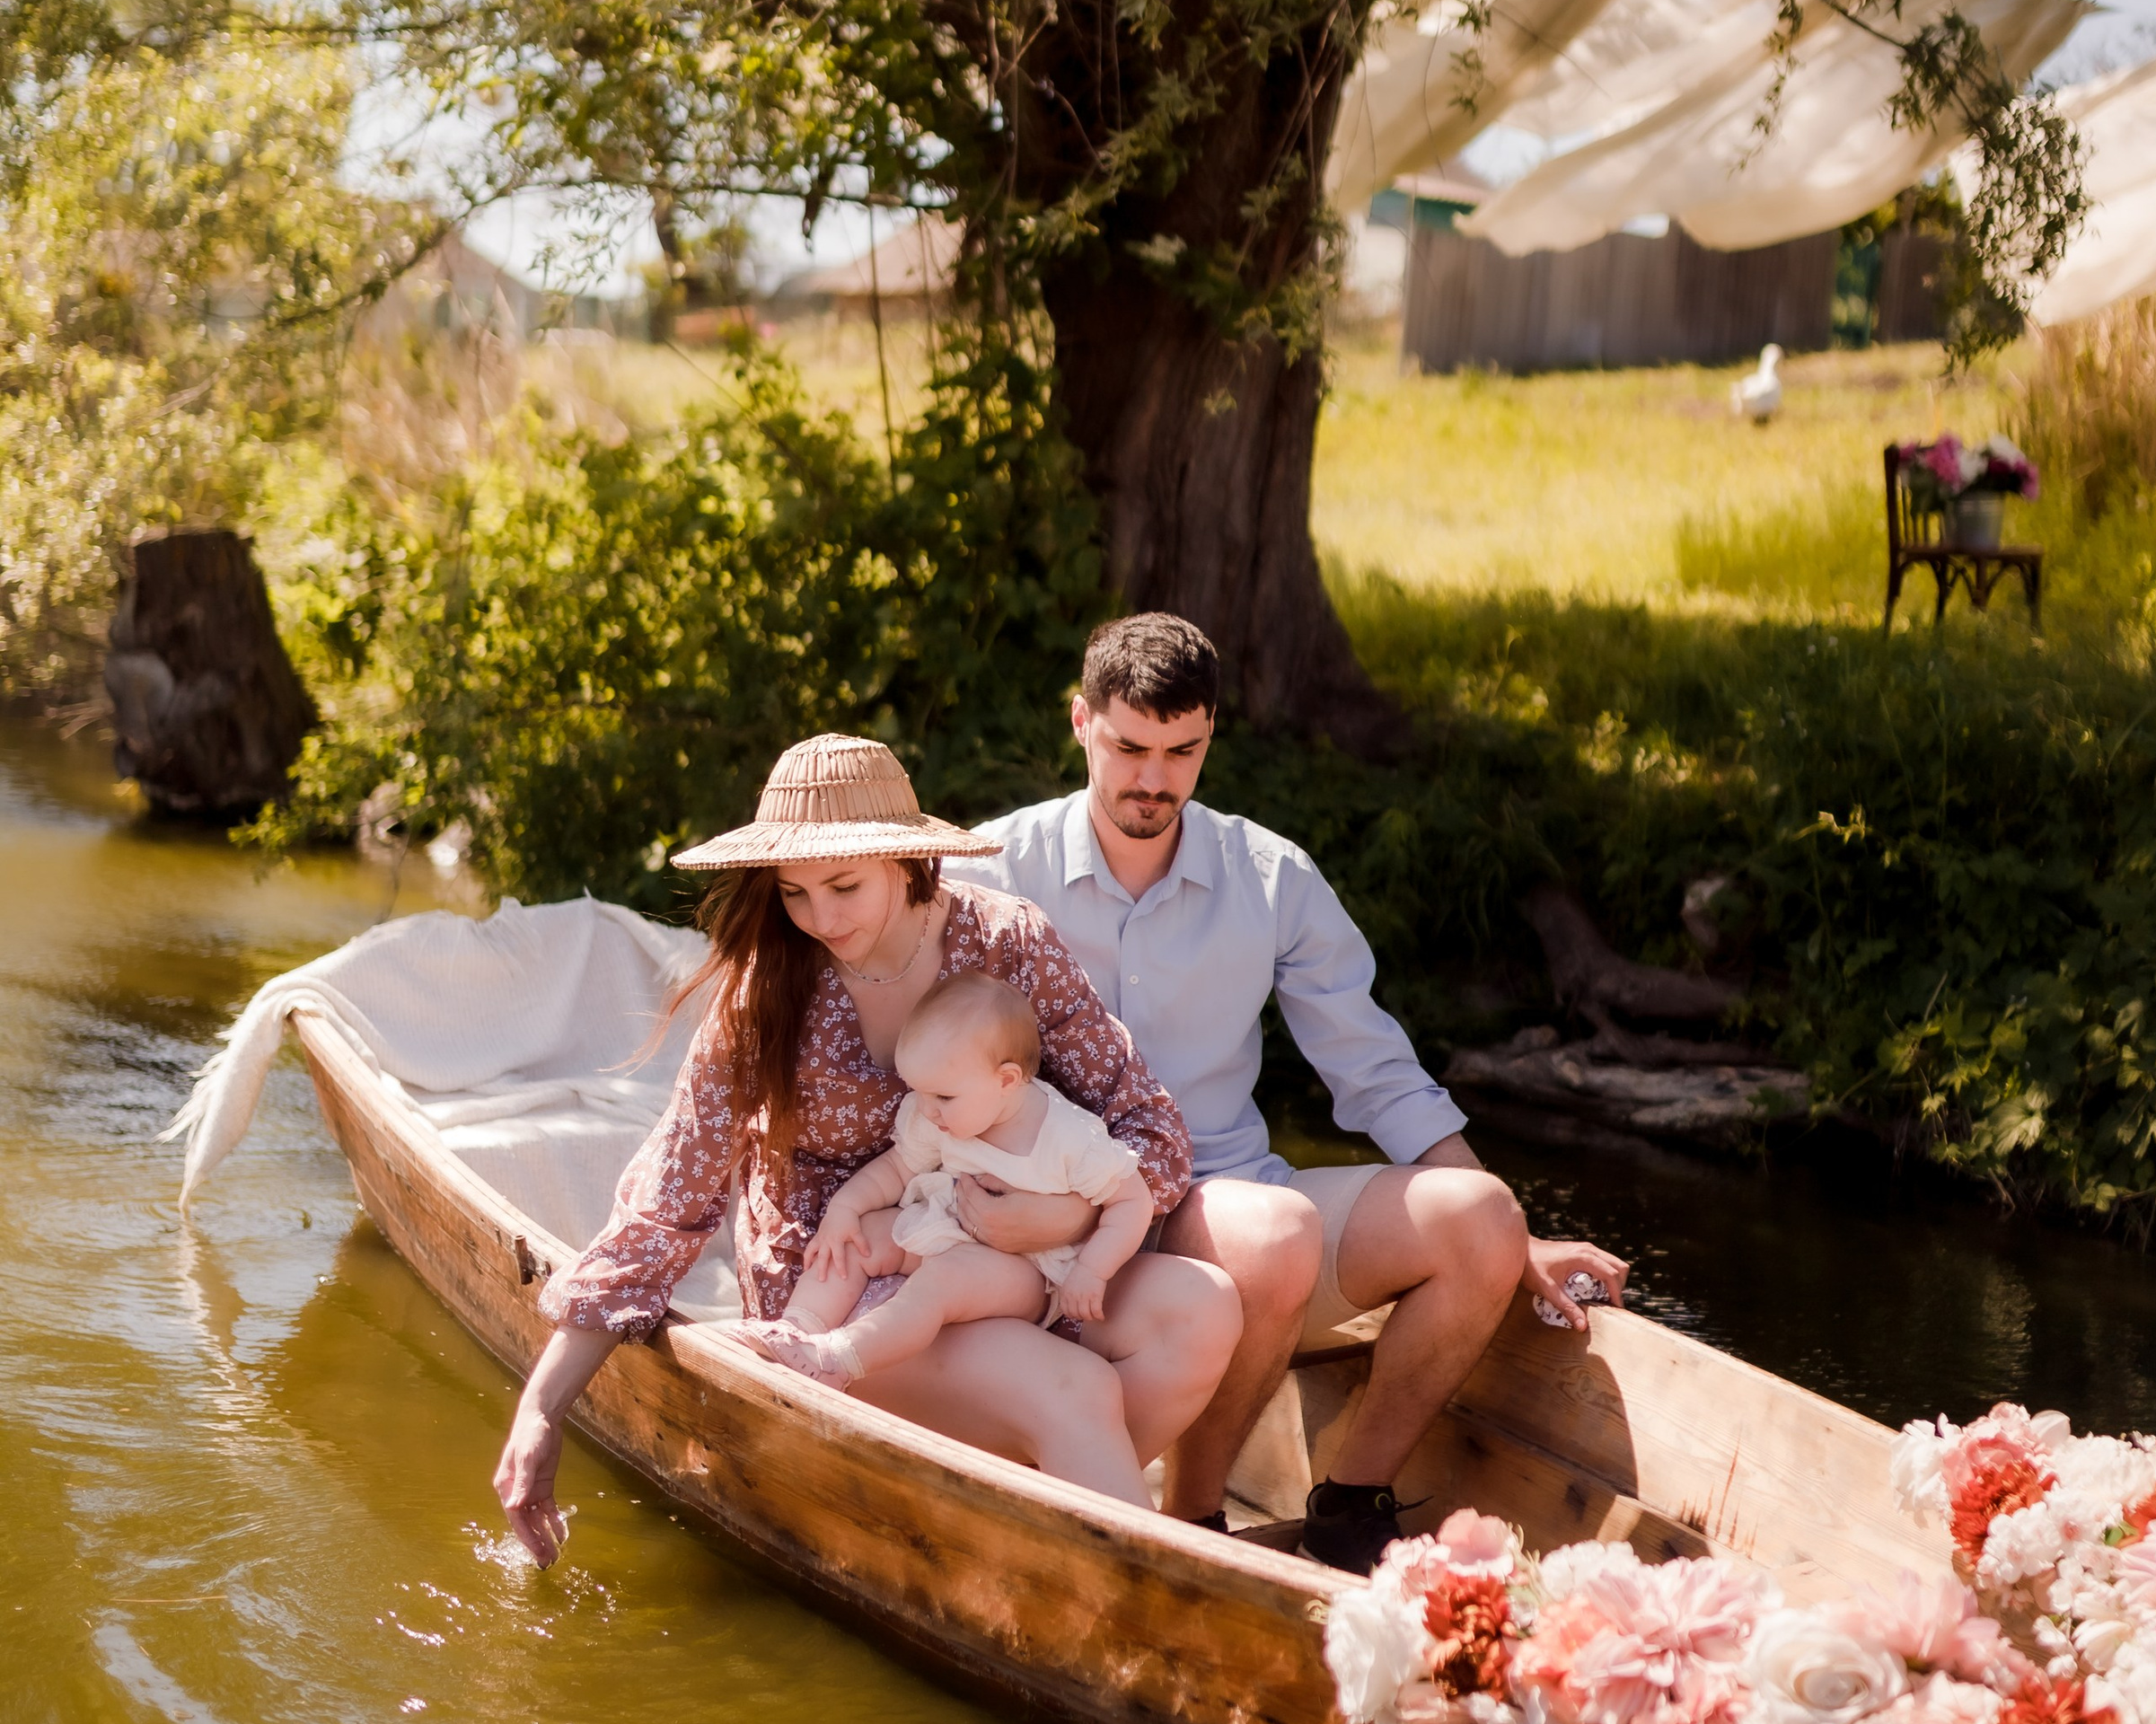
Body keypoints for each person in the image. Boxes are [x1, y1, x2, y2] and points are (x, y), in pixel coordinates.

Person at [969, 614, 1627, 1572]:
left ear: (1209, 741)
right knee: (1272, 1237)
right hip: (1053, 1214)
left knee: (1479, 1218)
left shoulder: (1269, 876)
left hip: (1219, 1194)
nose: (1153, 778)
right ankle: (1195, 1521)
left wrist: (1521, 1239)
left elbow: (1374, 1069)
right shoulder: (991, 870)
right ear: (1081, 723)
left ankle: (1348, 1505)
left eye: (1181, 752)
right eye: (1130, 748)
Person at [492, 733, 1241, 1555]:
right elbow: (666, 1210)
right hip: (840, 1287)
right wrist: (541, 1408)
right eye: (795, 893)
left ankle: (1019, 1542)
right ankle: (1115, 1577)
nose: (821, 918)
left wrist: (1060, 1218)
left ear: (905, 859)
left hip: (1006, 1261)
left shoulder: (1004, 943)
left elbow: (1150, 1128)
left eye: (844, 886)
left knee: (1203, 1310)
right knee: (1075, 1389)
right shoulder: (765, 991)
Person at [746, 971, 1155, 1422]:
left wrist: (1093, 1270)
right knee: (859, 1236)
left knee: (943, 1281)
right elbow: (897, 1168)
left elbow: (1134, 1202)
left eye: (942, 1096)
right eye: (918, 1091)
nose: (927, 1109)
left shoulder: (1069, 1138)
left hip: (1024, 1269)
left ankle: (837, 1361)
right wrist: (845, 1209)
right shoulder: (942, 1111)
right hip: (946, 1221)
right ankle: (797, 1327)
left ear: (1007, 1080)